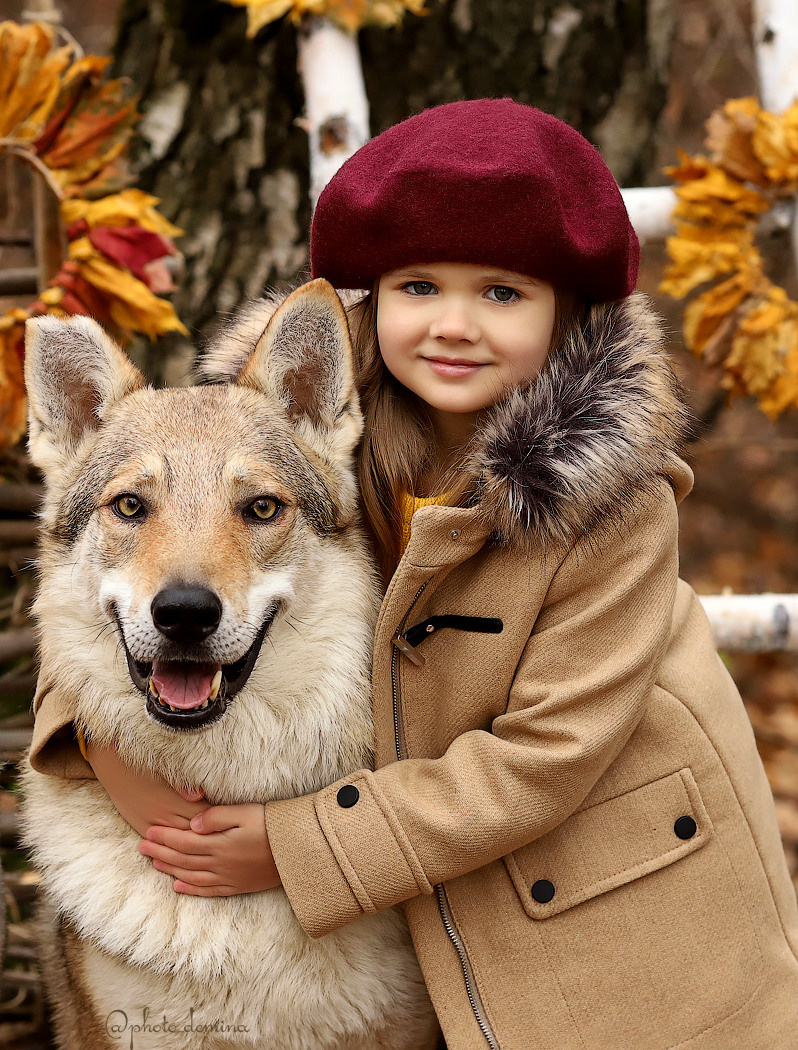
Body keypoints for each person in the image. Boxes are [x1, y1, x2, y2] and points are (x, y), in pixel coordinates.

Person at [29, 99, 798, 1049]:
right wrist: (107, 755)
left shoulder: (619, 507)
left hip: (616, 890)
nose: (455, 325)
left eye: (503, 293)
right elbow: (94, 599)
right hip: (417, 857)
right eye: (420, 286)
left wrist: (294, 848)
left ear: (568, 312)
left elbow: (546, 757)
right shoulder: (287, 434)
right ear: (375, 297)